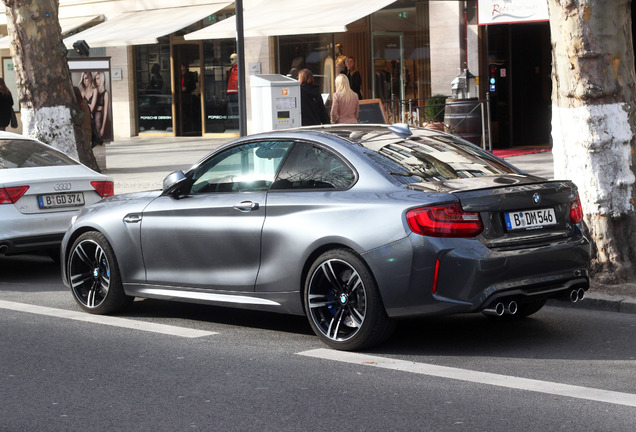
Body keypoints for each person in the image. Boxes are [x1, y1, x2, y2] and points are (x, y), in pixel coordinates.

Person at [93, 71, 110, 140]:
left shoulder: (105, 93)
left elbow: (105, 112)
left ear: (102, 79)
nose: (96, 81)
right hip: (91, 114)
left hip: (99, 116)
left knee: (98, 137)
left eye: (98, 78)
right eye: (95, 79)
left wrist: (103, 128)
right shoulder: (94, 90)